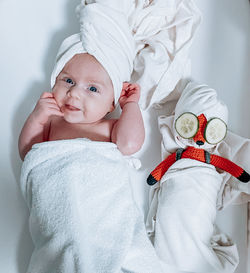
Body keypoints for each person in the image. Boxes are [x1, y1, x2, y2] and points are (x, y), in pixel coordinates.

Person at [18, 53, 144, 160]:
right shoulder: (51, 122)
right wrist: (36, 119)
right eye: (68, 81)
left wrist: (130, 104)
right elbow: (29, 155)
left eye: (92, 88)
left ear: (111, 104)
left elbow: (130, 144)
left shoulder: (111, 128)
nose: (74, 93)